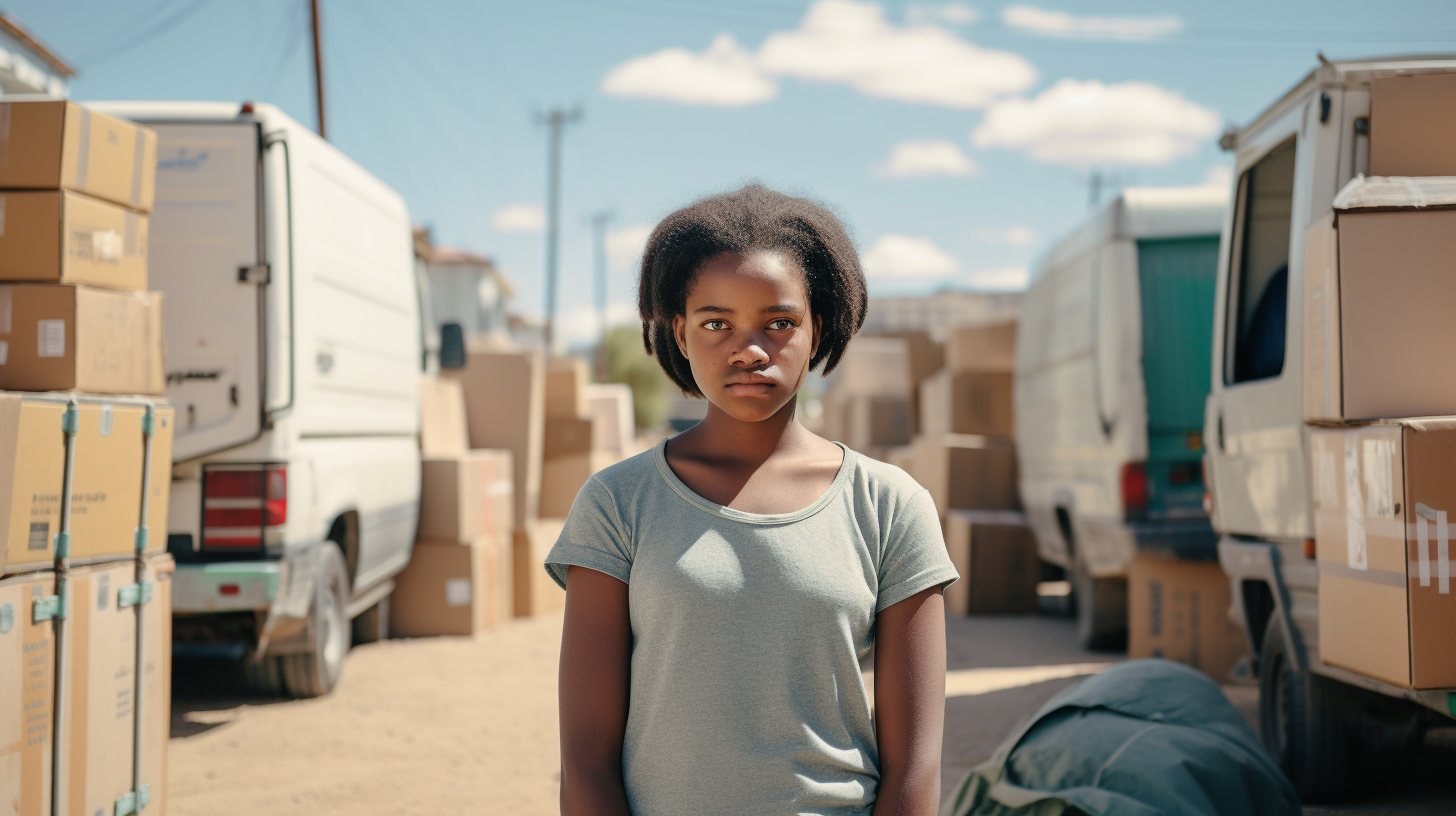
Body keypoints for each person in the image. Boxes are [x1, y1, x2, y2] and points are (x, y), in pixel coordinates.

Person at [548, 184, 959, 816]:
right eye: (717, 323)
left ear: (818, 327)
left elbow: (915, 770)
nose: (749, 349)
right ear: (679, 333)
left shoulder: (890, 506)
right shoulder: (618, 503)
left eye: (779, 322)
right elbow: (585, 760)